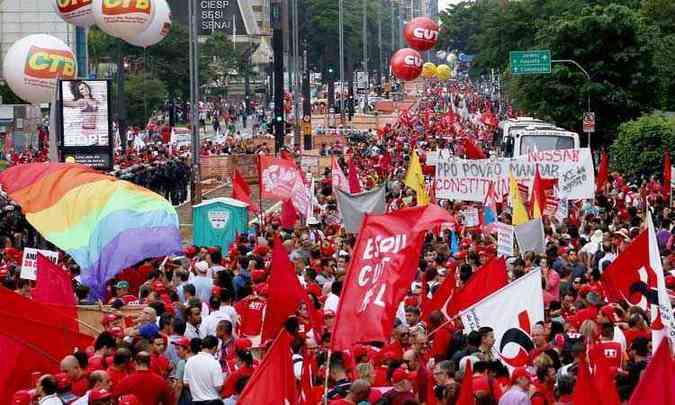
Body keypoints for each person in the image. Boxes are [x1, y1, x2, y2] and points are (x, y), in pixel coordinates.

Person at [183, 335, 224, 404]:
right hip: (213, 401)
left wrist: (198, 389)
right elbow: (219, 387)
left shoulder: (190, 361)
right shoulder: (214, 362)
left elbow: (186, 383)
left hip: (196, 402)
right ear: (214, 348)